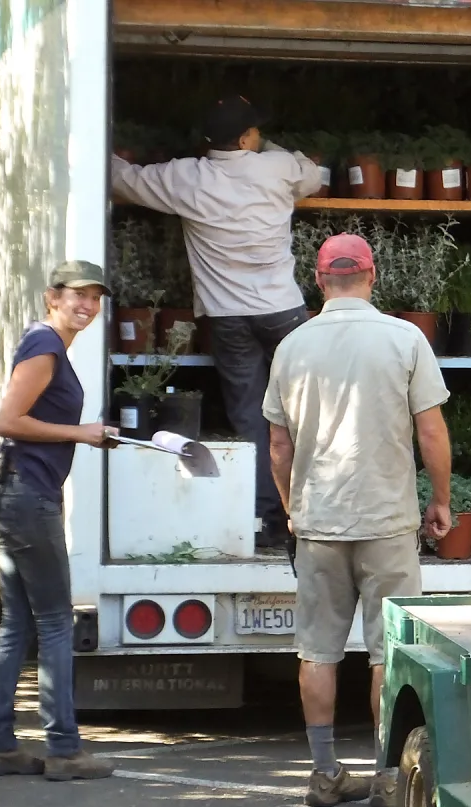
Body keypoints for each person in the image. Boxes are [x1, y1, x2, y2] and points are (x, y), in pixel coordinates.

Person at [262, 233, 452, 807]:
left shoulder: (291, 345)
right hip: (388, 521)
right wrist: (440, 498)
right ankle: (388, 777)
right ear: (372, 276)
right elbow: (430, 431)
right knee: (387, 652)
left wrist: (294, 508)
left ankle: (324, 774)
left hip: (320, 522)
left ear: (318, 281)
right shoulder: (404, 338)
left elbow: (277, 445)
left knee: (317, 651)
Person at [111, 95, 323, 549]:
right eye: (256, 131)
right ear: (247, 138)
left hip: (228, 319)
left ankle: (266, 520)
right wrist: (278, 154)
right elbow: (314, 176)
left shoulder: (185, 177)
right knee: (310, 414)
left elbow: (123, 179)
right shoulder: (277, 167)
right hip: (283, 311)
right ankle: (317, 514)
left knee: (251, 418)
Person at [0, 261, 120, 781]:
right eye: (77, 295)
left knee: (17, 624)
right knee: (56, 622)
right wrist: (81, 433)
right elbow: (8, 421)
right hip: (26, 496)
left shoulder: (49, 344)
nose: (87, 305)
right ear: (52, 297)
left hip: (13, 492)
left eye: (95, 297)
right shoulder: (44, 346)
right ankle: (64, 750)